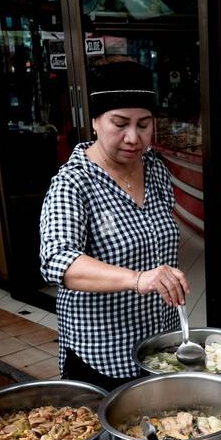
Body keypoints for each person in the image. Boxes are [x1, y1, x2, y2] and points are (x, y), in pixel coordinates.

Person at [38, 61, 189, 389]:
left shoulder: (156, 170)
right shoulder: (74, 183)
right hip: (101, 357)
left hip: (159, 350)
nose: (133, 137)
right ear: (95, 121)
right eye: (119, 123)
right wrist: (138, 279)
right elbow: (57, 261)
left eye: (144, 124)